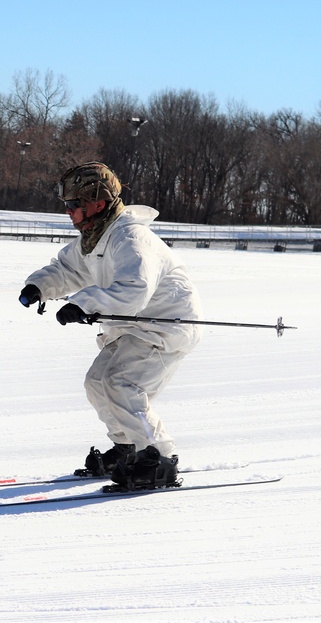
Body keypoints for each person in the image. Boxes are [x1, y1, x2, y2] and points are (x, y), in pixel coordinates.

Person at [18, 162, 203, 489]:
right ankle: (128, 447)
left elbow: (134, 290)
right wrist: (39, 287)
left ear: (98, 204)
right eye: (67, 206)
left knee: (121, 384)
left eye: (75, 205)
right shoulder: (94, 238)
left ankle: (158, 458)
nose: (69, 212)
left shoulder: (131, 238)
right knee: (96, 382)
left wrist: (83, 304)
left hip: (164, 327)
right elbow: (67, 270)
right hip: (133, 327)